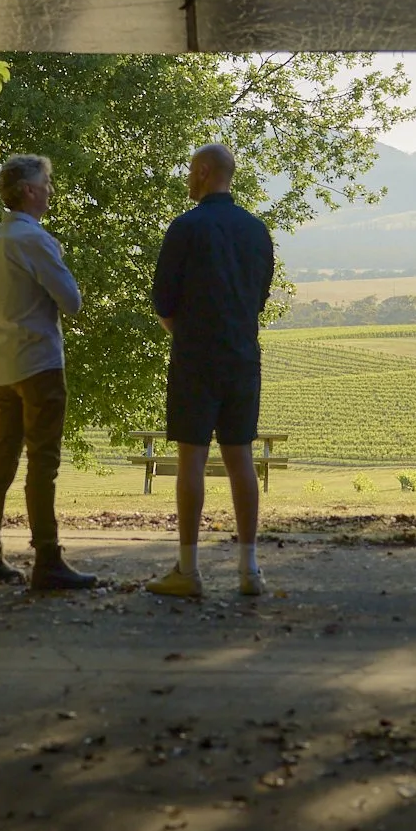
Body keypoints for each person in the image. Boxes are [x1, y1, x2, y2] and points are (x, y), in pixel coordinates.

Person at [146, 143, 275, 598]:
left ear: (203, 172)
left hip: (195, 358)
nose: (188, 177)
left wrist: (187, 333)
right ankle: (250, 570)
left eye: (190, 170)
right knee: (241, 458)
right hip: (243, 356)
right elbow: (259, 299)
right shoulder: (257, 231)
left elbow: (164, 303)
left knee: (192, 459)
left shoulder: (185, 227)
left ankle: (189, 569)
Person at [0, 154, 97, 590]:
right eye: (45, 184)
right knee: (43, 463)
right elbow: (72, 301)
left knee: (1, 460)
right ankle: (47, 558)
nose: (50, 191)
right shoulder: (35, 241)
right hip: (40, 364)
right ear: (28, 190)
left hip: (3, 365)